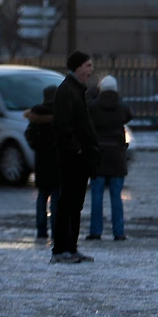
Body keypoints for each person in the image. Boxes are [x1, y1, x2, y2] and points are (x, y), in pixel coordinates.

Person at [51, 50, 100, 263]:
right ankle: (61, 250)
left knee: (76, 204)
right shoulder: (66, 90)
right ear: (78, 67)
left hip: (80, 156)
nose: (91, 69)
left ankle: (71, 248)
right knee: (67, 203)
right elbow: (63, 124)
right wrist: (76, 148)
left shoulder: (77, 89)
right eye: (88, 65)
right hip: (72, 157)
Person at [87, 74, 132, 241]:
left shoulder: (93, 107)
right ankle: (118, 232)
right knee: (116, 196)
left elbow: (86, 103)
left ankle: (95, 231)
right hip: (117, 156)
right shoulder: (122, 107)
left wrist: (92, 92)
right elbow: (129, 116)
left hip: (98, 156)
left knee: (97, 195)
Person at [24, 97, 60, 243]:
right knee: (56, 199)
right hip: (57, 164)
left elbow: (30, 138)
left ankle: (41, 230)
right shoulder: (59, 116)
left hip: (41, 164)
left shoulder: (36, 117)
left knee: (42, 198)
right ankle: (56, 230)